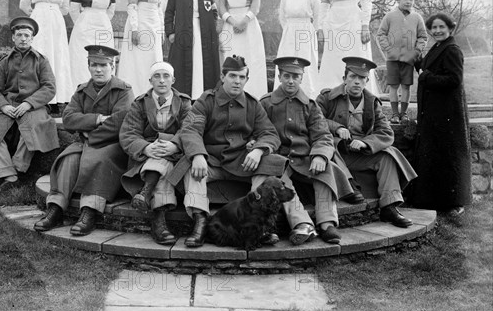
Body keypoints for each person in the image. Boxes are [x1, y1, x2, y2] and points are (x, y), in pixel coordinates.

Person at [167, 55, 287, 248]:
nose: (237, 81)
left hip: (242, 162)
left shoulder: (253, 104)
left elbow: (270, 133)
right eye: (232, 76)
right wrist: (198, 154)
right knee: (189, 166)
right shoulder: (205, 101)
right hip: (211, 162)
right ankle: (200, 222)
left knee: (271, 162)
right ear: (223, 77)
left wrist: (258, 150)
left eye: (242, 77)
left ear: (247, 80)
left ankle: (258, 225)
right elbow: (190, 130)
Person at [259, 56, 365, 244]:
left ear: (301, 78)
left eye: (295, 76)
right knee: (277, 178)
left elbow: (323, 135)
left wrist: (320, 155)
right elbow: (260, 131)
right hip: (278, 159)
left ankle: (327, 223)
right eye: (286, 76)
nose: (291, 81)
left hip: (303, 159)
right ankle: (302, 224)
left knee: (326, 169)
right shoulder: (266, 103)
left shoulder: (310, 105)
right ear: (279, 77)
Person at [35, 45, 134, 235]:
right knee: (68, 158)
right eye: (94, 65)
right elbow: (69, 118)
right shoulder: (82, 91)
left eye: (103, 65)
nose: (98, 69)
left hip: (112, 145)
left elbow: (120, 121)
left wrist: (90, 133)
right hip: (85, 143)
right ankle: (56, 207)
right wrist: (97, 119)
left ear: (112, 67)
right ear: (88, 66)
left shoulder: (123, 90)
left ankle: (89, 210)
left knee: (99, 159)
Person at [316, 57, 417, 228]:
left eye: (361, 78)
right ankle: (348, 186)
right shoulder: (327, 97)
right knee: (330, 143)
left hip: (359, 155)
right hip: (336, 156)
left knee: (388, 155)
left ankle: (389, 206)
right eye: (352, 77)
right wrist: (337, 128)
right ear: (344, 79)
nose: (357, 82)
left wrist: (366, 143)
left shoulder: (372, 102)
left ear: (367, 81)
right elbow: (314, 120)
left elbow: (386, 132)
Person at [0, 17, 60, 193]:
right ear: (13, 38)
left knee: (34, 125)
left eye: (27, 35)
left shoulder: (41, 61)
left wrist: (29, 103)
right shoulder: (4, 62)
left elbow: (49, 87)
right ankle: (8, 174)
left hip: (34, 107)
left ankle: (19, 167)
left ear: (32, 38)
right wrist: (3, 106)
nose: (23, 39)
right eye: (19, 35)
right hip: (8, 106)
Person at [120, 62, 191, 245]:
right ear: (150, 80)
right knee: (161, 161)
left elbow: (190, 130)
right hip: (145, 157)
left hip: (175, 154)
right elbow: (128, 133)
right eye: (157, 76)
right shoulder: (140, 104)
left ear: (173, 80)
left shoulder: (183, 103)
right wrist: (145, 147)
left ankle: (146, 193)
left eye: (166, 76)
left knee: (165, 160)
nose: (161, 80)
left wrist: (175, 145)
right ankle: (159, 221)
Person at [409, 13, 471, 215]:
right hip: (434, 111)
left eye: (441, 27)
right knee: (435, 155)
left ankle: (454, 202)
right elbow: (430, 70)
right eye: (433, 28)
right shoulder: (437, 47)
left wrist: (426, 76)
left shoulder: (452, 50)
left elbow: (454, 80)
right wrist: (419, 64)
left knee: (449, 156)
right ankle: (433, 200)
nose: (437, 31)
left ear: (450, 28)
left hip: (448, 113)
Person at [316, 0, 378, 94]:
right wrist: (320, 28)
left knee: (355, 57)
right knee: (332, 61)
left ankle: (359, 94)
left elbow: (365, 0)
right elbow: (324, 4)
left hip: (353, 20)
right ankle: (330, 95)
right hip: (332, 21)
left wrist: (365, 25)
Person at [19, 0, 72, 104]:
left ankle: (58, 98)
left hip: (56, 22)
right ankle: (37, 97)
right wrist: (37, 15)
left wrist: (53, 14)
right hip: (39, 19)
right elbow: (23, 3)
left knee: (58, 55)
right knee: (40, 53)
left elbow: (65, 8)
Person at [165, 0, 221, 98]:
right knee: (185, 62)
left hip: (205, 32)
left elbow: (214, 11)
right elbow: (169, 12)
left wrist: (213, 27)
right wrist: (170, 32)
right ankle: (184, 97)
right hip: (184, 31)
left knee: (204, 62)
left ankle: (204, 96)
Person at [218, 0, 267, 98]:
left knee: (251, 58)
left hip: (249, 25)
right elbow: (221, 7)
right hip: (230, 26)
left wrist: (244, 22)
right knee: (230, 58)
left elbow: (256, 5)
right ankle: (229, 95)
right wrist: (234, 23)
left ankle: (254, 95)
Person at [377, 0, 427, 123]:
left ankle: (403, 113)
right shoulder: (390, 16)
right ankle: (394, 114)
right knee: (393, 86)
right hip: (393, 59)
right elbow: (381, 34)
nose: (408, 2)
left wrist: (416, 51)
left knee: (406, 86)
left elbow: (423, 37)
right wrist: (389, 49)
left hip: (409, 59)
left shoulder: (417, 17)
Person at [118, 0, 164, 96]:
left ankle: (153, 93)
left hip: (154, 23)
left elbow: (159, 7)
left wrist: (161, 30)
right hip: (140, 21)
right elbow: (132, 5)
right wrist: (135, 29)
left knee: (154, 59)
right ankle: (136, 94)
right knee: (138, 61)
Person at [68, 0, 117, 88]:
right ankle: (79, 89)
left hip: (104, 24)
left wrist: (104, 19)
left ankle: (104, 89)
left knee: (104, 55)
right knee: (82, 57)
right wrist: (81, 24)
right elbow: (73, 8)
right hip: (85, 24)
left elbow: (112, 6)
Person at [276, 0, 321, 97]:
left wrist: (312, 31)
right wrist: (289, 30)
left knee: (305, 61)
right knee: (287, 59)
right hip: (289, 32)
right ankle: (285, 92)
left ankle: (308, 94)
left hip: (306, 30)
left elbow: (318, 17)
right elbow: (282, 17)